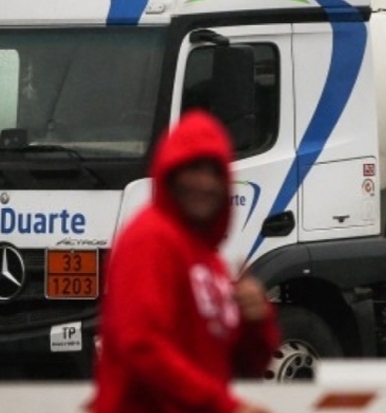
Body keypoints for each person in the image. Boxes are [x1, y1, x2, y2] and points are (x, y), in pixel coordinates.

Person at [95, 110, 280, 413]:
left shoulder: (211, 262)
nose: (205, 183)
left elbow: (244, 365)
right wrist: (222, 406)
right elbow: (141, 346)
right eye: (193, 169)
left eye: (215, 172)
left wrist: (258, 322)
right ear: (170, 173)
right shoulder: (150, 239)